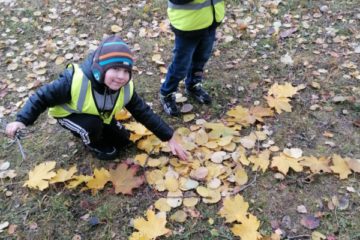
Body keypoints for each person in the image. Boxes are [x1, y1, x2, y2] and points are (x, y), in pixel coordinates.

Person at [6, 35, 188, 161]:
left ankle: (104, 127)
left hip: (100, 114)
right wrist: (21, 120)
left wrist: (169, 136)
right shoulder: (73, 81)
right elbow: (42, 97)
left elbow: (143, 112)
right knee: (92, 127)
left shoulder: (126, 88)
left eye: (126, 71)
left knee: (124, 141)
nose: (121, 76)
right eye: (115, 69)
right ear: (100, 68)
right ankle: (94, 143)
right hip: (70, 115)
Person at [159, 0, 225, 116]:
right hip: (187, 26)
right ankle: (167, 93)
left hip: (210, 21)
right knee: (181, 66)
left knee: (201, 58)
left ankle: (193, 84)